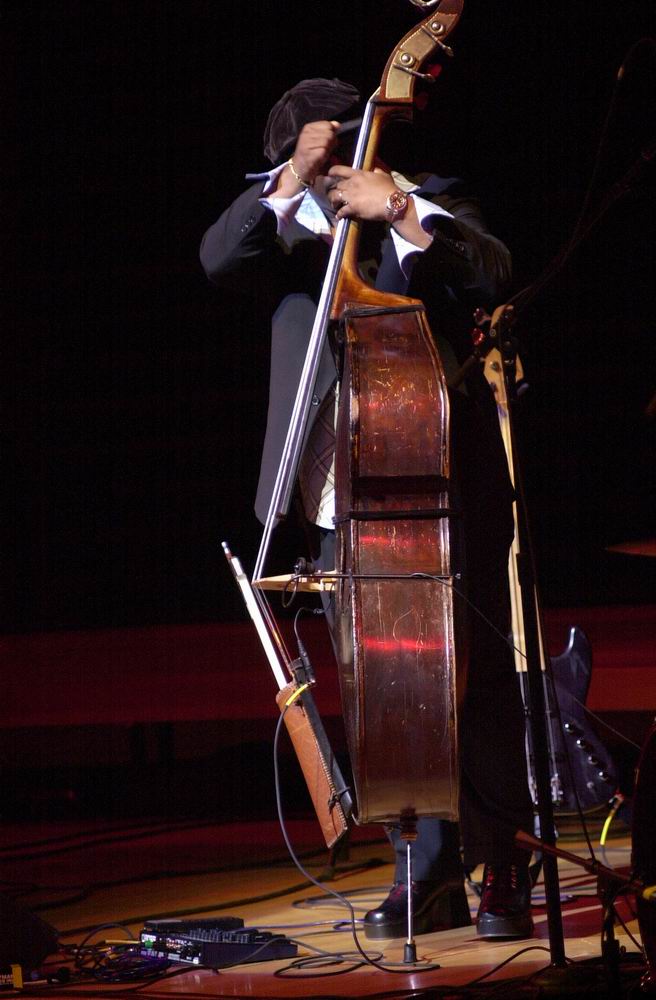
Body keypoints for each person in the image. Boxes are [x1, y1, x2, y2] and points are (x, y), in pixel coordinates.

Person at [200, 78, 535, 940]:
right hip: (333, 495)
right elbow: (216, 261)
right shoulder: (281, 228)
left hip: (442, 481)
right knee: (383, 687)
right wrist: (284, 184)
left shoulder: (429, 201)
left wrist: (400, 214)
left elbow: (493, 269)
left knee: (477, 673)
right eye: (301, 157)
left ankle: (503, 858)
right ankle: (423, 866)